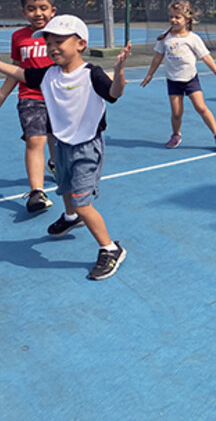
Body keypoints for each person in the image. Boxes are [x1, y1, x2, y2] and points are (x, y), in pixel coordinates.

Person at [0, 14, 131, 281]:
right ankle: (71, 218)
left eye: (59, 42)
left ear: (81, 44)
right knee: (65, 188)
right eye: (49, 43)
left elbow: (114, 94)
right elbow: (20, 73)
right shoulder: (48, 74)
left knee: (83, 203)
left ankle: (110, 248)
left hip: (87, 147)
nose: (52, 48)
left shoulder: (91, 73)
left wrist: (118, 72)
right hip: (61, 145)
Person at [141, 0, 216, 149]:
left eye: (177, 17)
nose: (173, 20)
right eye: (171, 16)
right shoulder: (165, 37)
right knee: (176, 113)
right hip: (173, 81)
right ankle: (176, 135)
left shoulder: (193, 39)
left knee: (201, 108)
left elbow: (206, 57)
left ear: (187, 19)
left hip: (190, 80)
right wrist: (150, 74)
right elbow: (157, 57)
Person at [0, 0, 57, 213]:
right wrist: (2, 94)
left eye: (43, 8)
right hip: (30, 97)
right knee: (35, 140)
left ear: (53, 10)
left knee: (56, 137)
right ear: (24, 12)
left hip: (59, 96)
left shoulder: (61, 35)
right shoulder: (18, 37)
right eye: (32, 9)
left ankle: (54, 163)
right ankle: (36, 192)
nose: (38, 13)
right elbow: (17, 69)